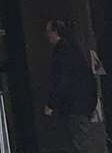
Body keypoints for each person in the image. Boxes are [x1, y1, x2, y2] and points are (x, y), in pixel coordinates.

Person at [42, 19, 99, 152]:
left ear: (55, 32)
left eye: (48, 31)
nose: (47, 35)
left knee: (79, 143)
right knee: (80, 141)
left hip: (74, 105)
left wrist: (52, 103)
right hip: (81, 103)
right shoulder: (73, 48)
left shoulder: (62, 52)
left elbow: (62, 80)